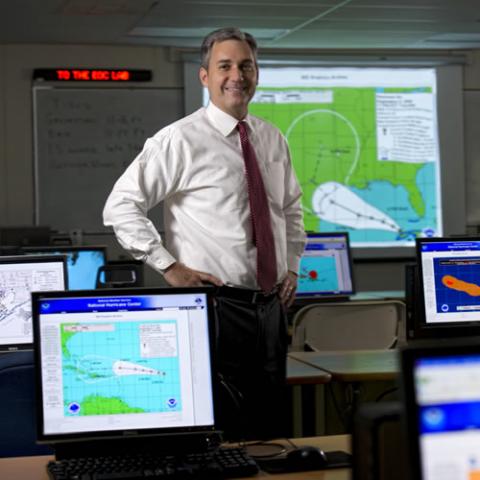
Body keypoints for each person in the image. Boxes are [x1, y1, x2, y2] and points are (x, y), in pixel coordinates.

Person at [103, 27, 305, 439]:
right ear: (204, 76)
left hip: (270, 308)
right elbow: (120, 206)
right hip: (215, 306)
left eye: (245, 66)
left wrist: (293, 266)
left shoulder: (271, 138)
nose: (237, 75)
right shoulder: (179, 139)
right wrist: (168, 266)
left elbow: (289, 209)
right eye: (225, 66)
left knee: (271, 427)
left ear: (257, 73)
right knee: (220, 429)